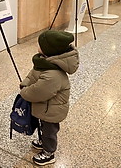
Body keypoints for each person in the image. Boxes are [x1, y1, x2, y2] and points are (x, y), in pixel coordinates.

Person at [20, 30, 79, 166]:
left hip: (51, 110)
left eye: (39, 44)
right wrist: (25, 83)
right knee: (42, 127)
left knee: (49, 131)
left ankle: (49, 152)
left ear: (49, 49)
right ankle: (43, 142)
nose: (37, 46)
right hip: (45, 107)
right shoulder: (45, 62)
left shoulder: (53, 75)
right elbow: (33, 74)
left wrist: (24, 91)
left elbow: (38, 92)